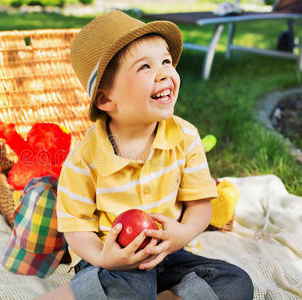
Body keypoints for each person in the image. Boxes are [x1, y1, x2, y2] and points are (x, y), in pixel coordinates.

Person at [37, 10, 254, 300]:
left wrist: (181, 234)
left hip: (168, 253)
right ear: (105, 98)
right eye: (145, 67)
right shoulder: (85, 158)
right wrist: (106, 258)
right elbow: (76, 229)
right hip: (114, 263)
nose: (164, 72)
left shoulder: (185, 137)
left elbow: (200, 206)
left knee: (235, 282)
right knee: (127, 287)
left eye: (166, 61)